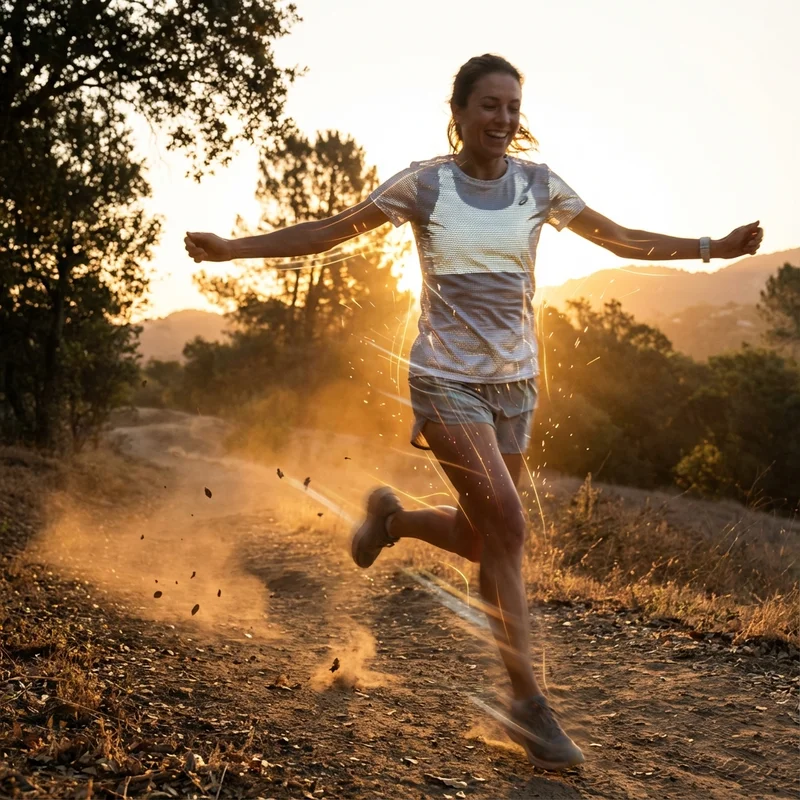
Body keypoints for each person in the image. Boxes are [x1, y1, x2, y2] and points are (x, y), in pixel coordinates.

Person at [184, 53, 764, 771]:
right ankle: (527, 706)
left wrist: (714, 248)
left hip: (517, 386)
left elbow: (619, 239)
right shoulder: (424, 185)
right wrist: (233, 250)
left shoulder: (538, 185)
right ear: (457, 112)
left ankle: (391, 519)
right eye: (489, 105)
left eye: (513, 106)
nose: (504, 119)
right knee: (511, 529)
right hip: (444, 382)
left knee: (480, 534)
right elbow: (331, 230)